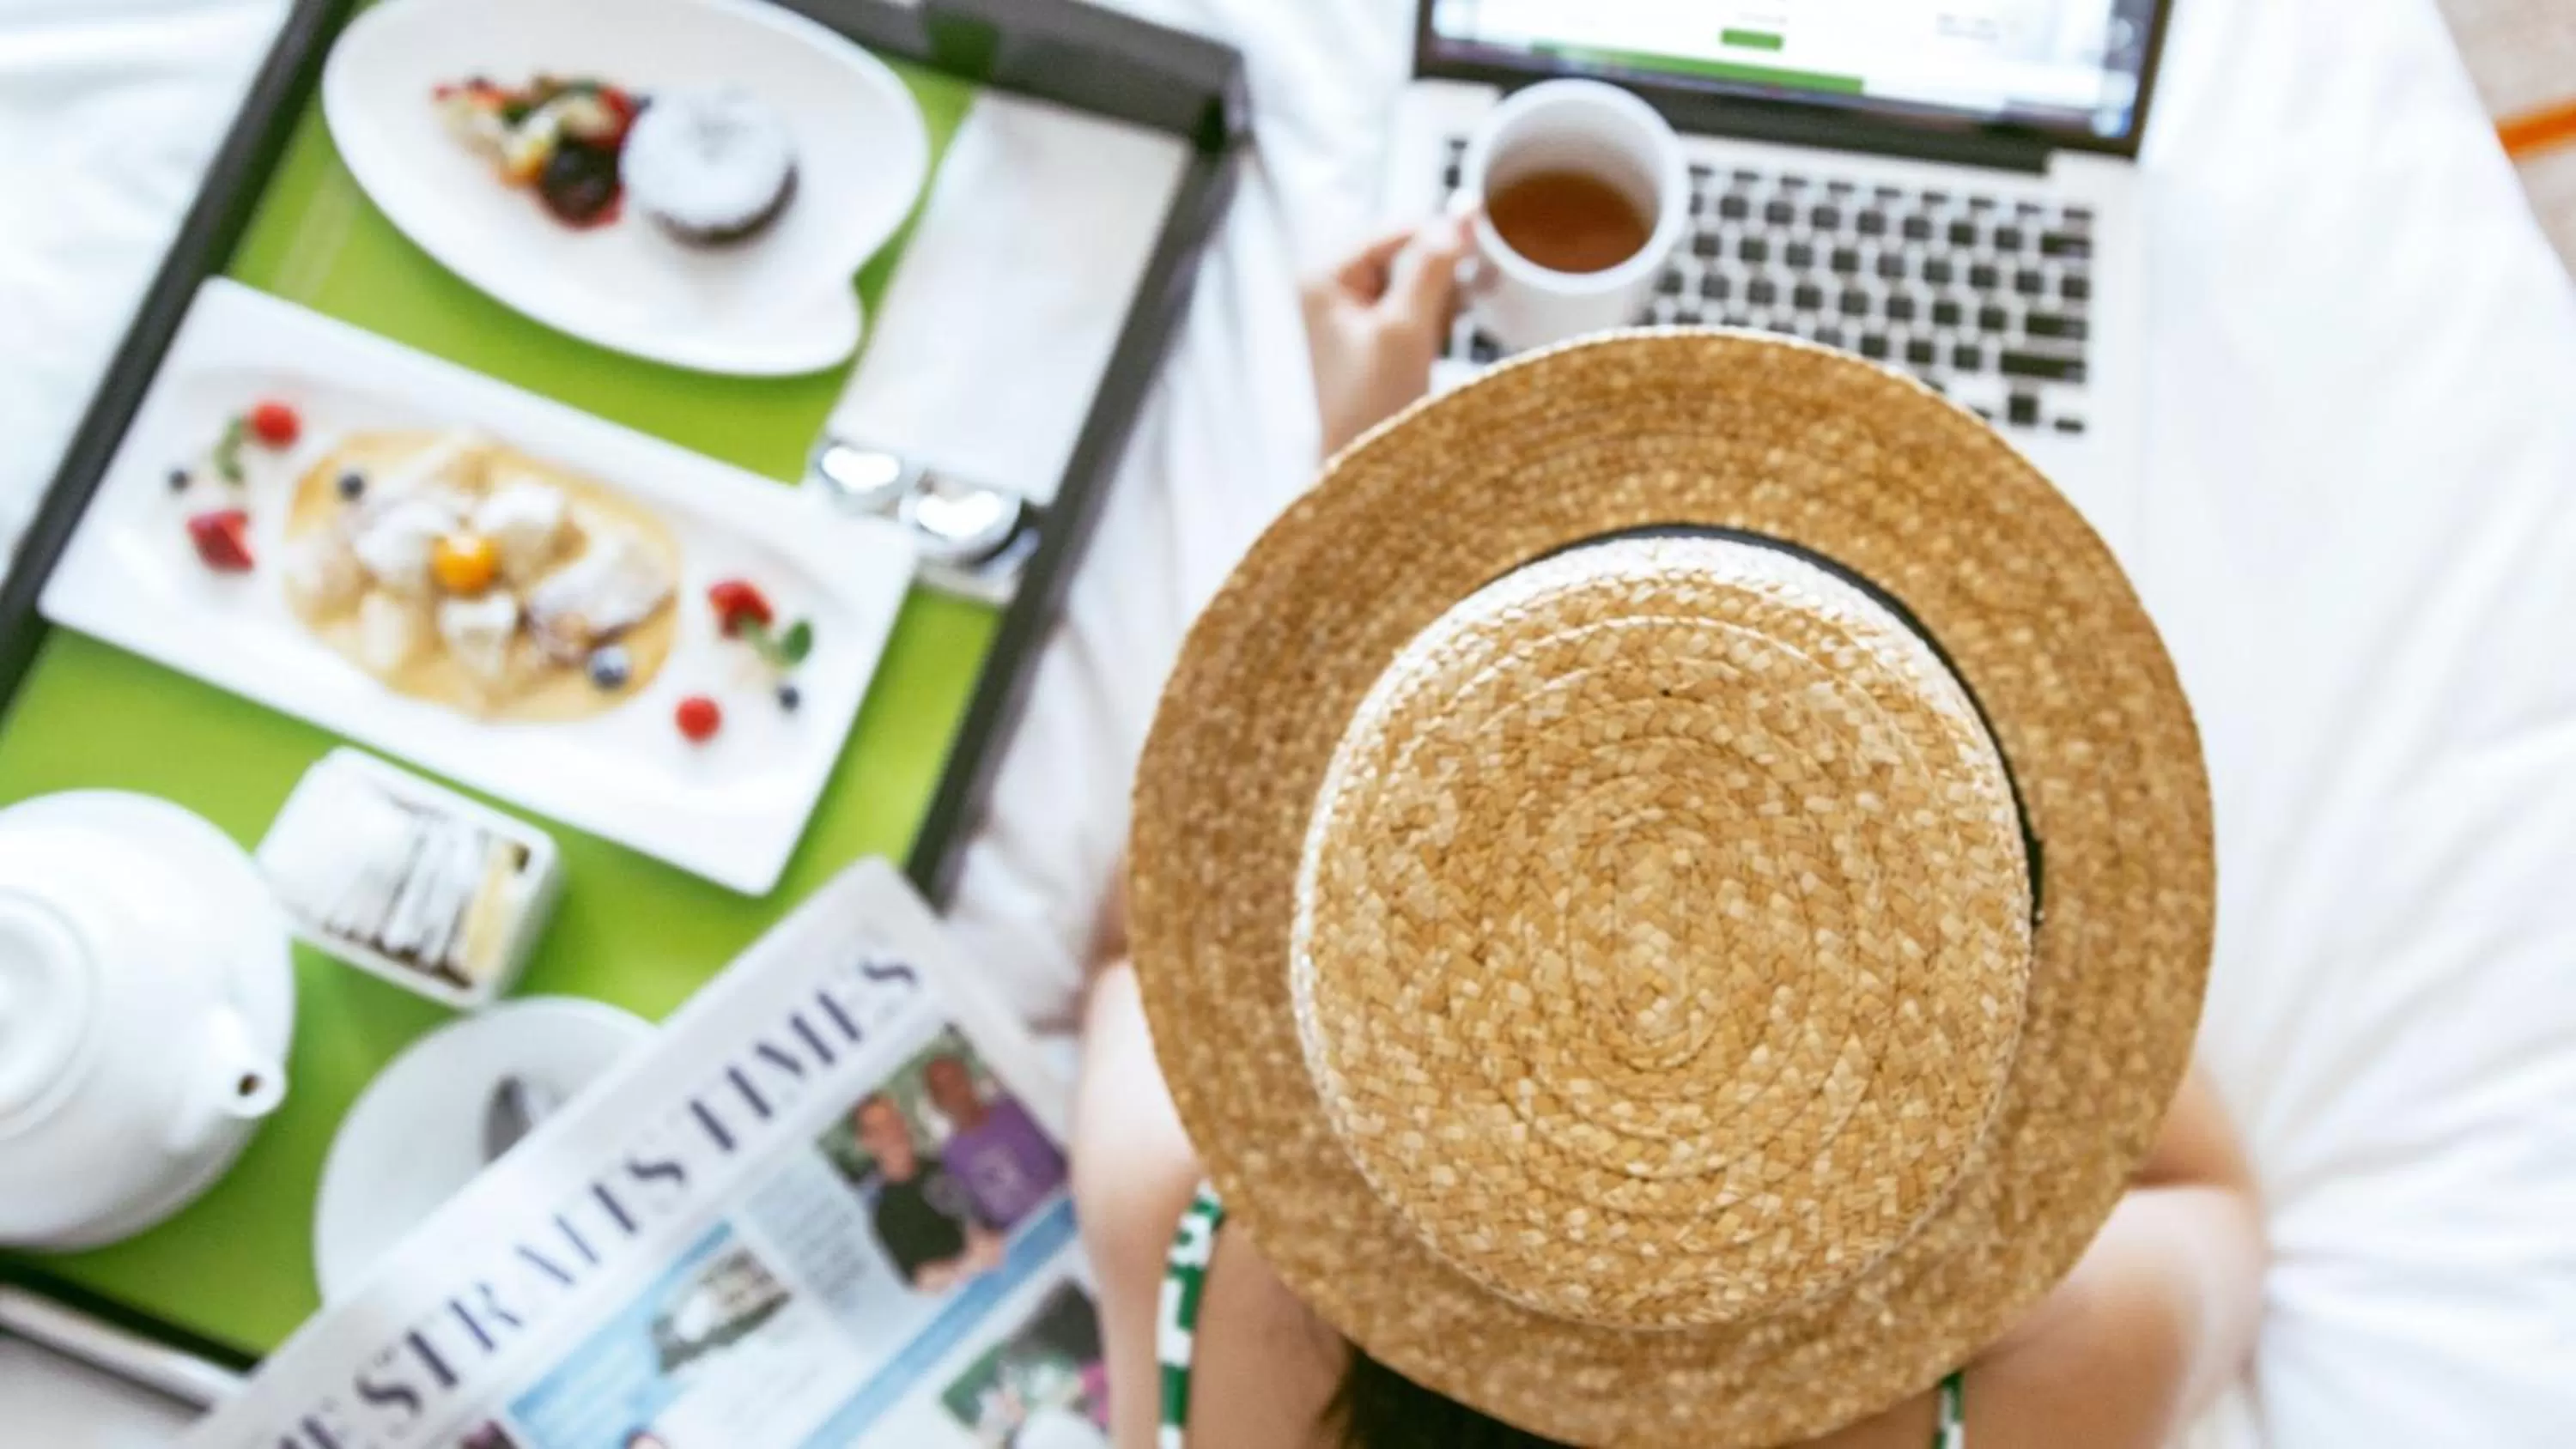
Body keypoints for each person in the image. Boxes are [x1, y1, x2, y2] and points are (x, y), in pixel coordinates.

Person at [1069, 215, 2269, 1449]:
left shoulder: (1186, 1257)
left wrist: (1359, 519)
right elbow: (2212, 1203)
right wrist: (2018, 918)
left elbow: (1138, 950)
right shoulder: (2055, 1374)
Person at [853, 1092, 1003, 1293]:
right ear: (868, 1143)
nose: (892, 1132)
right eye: (880, 1129)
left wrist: (985, 1236)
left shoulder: (942, 1165)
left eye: (894, 1120)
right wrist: (967, 1265)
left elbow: (981, 1215)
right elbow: (921, 1279)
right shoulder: (885, 1214)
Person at [926, 1052, 1068, 1230]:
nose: (955, 1092)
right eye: (944, 1089)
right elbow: (976, 1218)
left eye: (957, 1080)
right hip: (1025, 1244)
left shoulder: (1016, 1109)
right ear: (936, 1102)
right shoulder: (949, 1158)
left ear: (969, 1079)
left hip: (1069, 1210)